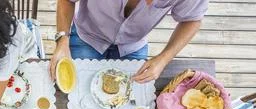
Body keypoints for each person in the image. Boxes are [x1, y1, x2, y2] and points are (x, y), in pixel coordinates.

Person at [50, 0, 208, 83]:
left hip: (132, 44)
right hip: (88, 33)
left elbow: (192, 19)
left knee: (131, 106)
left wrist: (163, 58)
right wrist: (62, 41)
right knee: (70, 90)